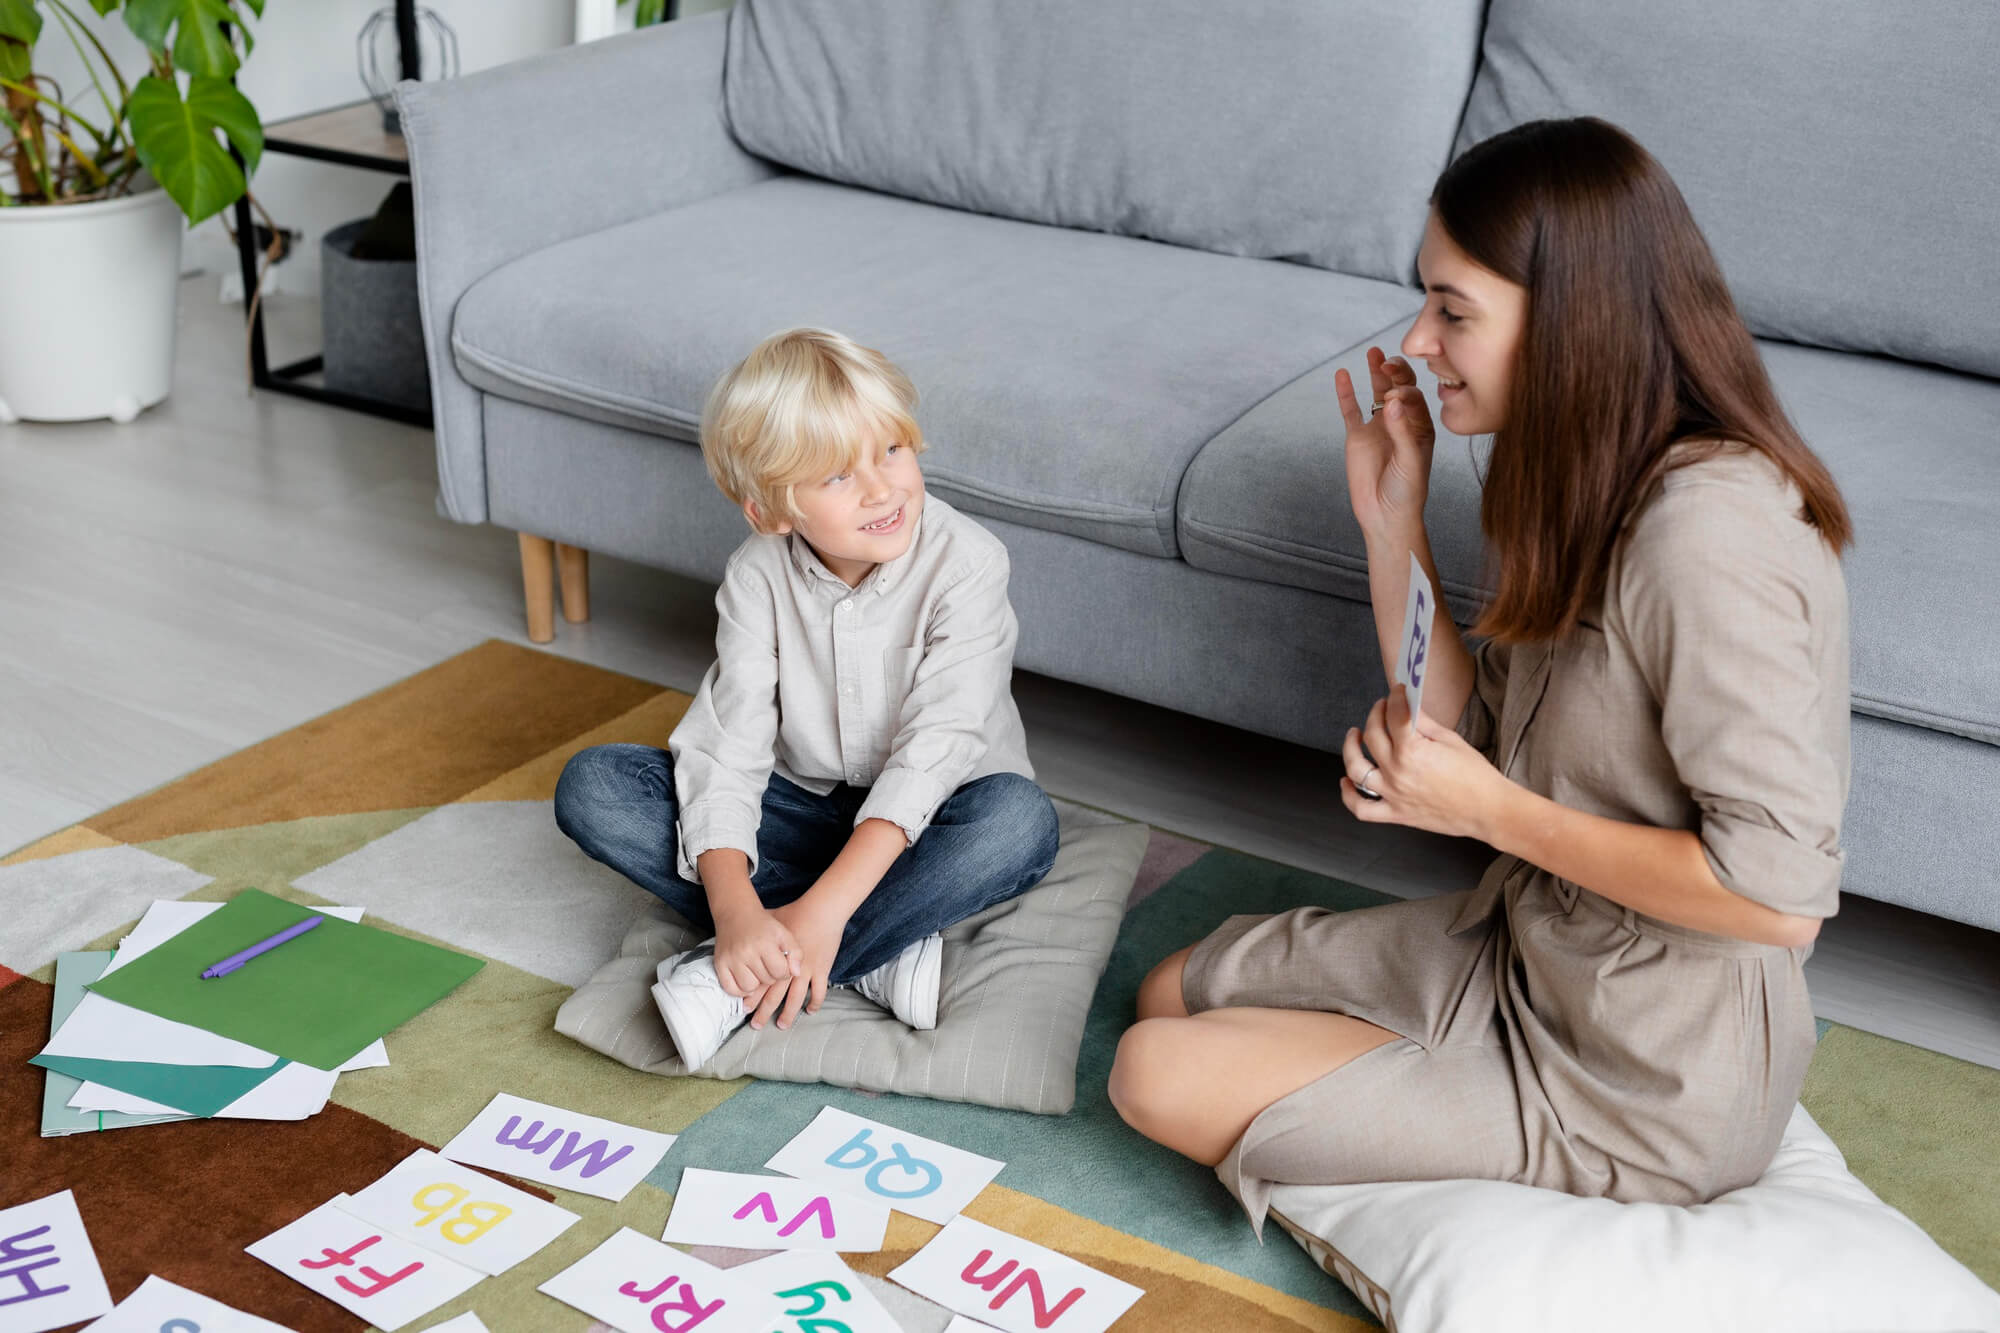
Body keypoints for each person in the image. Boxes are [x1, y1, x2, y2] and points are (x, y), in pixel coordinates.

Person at [1108, 117, 1853, 1232]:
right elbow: (1459, 726)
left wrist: (1488, 811)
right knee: (1167, 990)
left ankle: (1457, 1129)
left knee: (1150, 1073)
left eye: (1452, 310)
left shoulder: (1705, 536)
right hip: (1522, 948)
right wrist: (1389, 522)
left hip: (1640, 1075)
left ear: (1569, 322)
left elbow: (1776, 899)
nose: (1415, 339)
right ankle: (1403, 1078)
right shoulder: (1567, 474)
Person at [555, 327, 1060, 1072]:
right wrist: (732, 910)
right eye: (836, 477)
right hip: (800, 809)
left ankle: (766, 964)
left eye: (891, 449)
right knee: (594, 785)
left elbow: (936, 750)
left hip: (932, 819)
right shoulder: (756, 575)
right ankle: (872, 947)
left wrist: (823, 912)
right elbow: (727, 748)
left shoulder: (969, 563)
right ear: (770, 512)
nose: (882, 487)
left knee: (1019, 824)